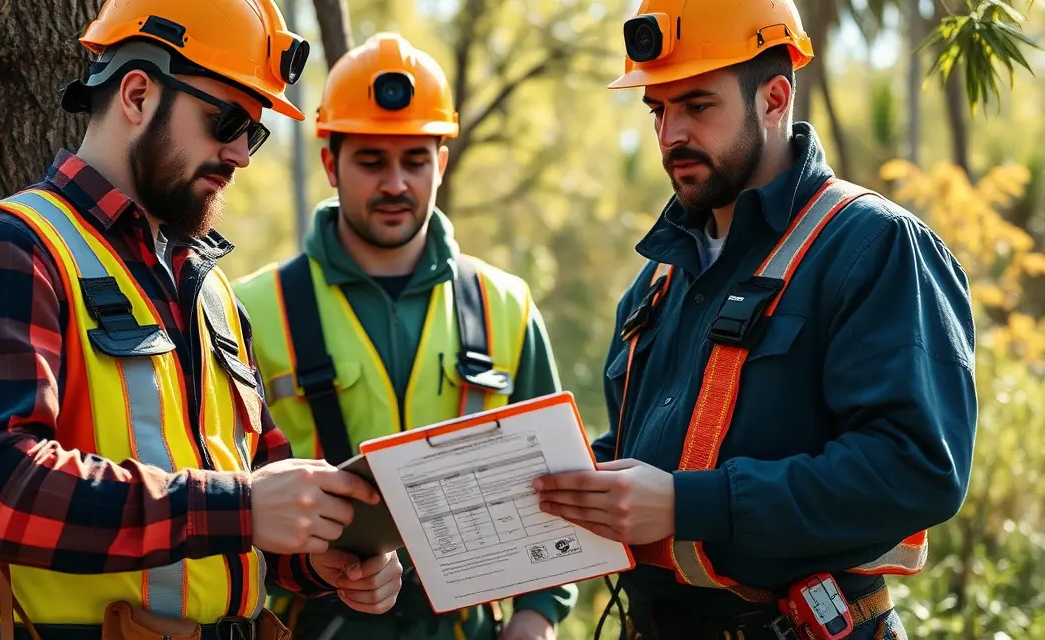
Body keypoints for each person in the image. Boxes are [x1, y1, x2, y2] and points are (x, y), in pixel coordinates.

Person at [0, 1, 402, 638]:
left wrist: (326, 555)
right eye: (228, 120)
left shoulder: (210, 291)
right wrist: (239, 509)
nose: (242, 154)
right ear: (136, 94)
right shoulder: (9, 249)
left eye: (255, 131)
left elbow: (258, 498)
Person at [532, 1, 977, 639]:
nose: (669, 136)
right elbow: (642, 458)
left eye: (697, 106)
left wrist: (690, 505)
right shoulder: (655, 284)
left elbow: (917, 468)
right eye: (658, 109)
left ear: (774, 97)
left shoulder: (872, 246)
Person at [232, 32, 577, 640]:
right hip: (309, 623)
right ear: (329, 162)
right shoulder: (249, 310)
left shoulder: (507, 307)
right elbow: (226, 495)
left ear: (441, 162)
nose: (395, 183)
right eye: (371, 161)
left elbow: (558, 484)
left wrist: (537, 614)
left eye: (415, 159)